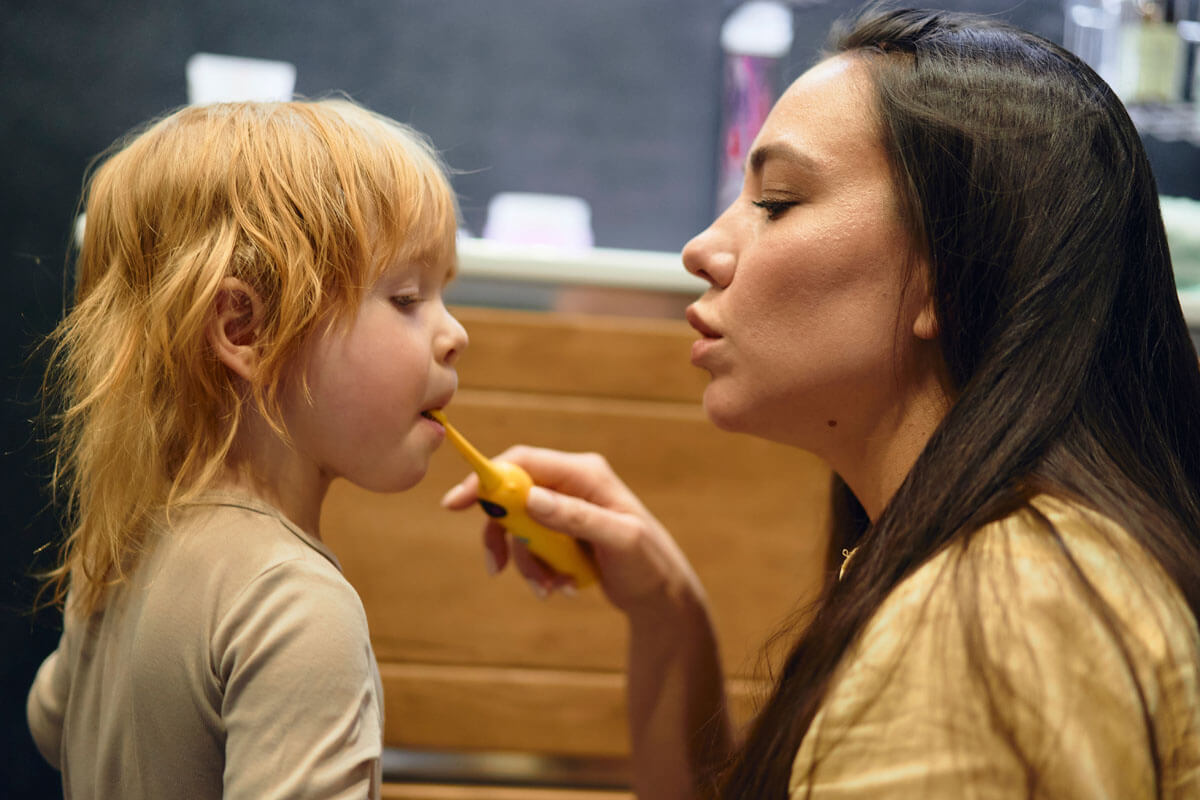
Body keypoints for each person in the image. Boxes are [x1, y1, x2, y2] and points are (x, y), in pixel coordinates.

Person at [442, 7, 1200, 799]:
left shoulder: (986, 621)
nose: (702, 249)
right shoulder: (1007, 565)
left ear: (949, 267)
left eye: (776, 202)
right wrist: (669, 613)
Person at [27, 98, 468, 798]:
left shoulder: (122, 543)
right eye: (409, 298)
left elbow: (52, 722)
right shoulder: (295, 604)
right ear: (244, 330)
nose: (454, 334)